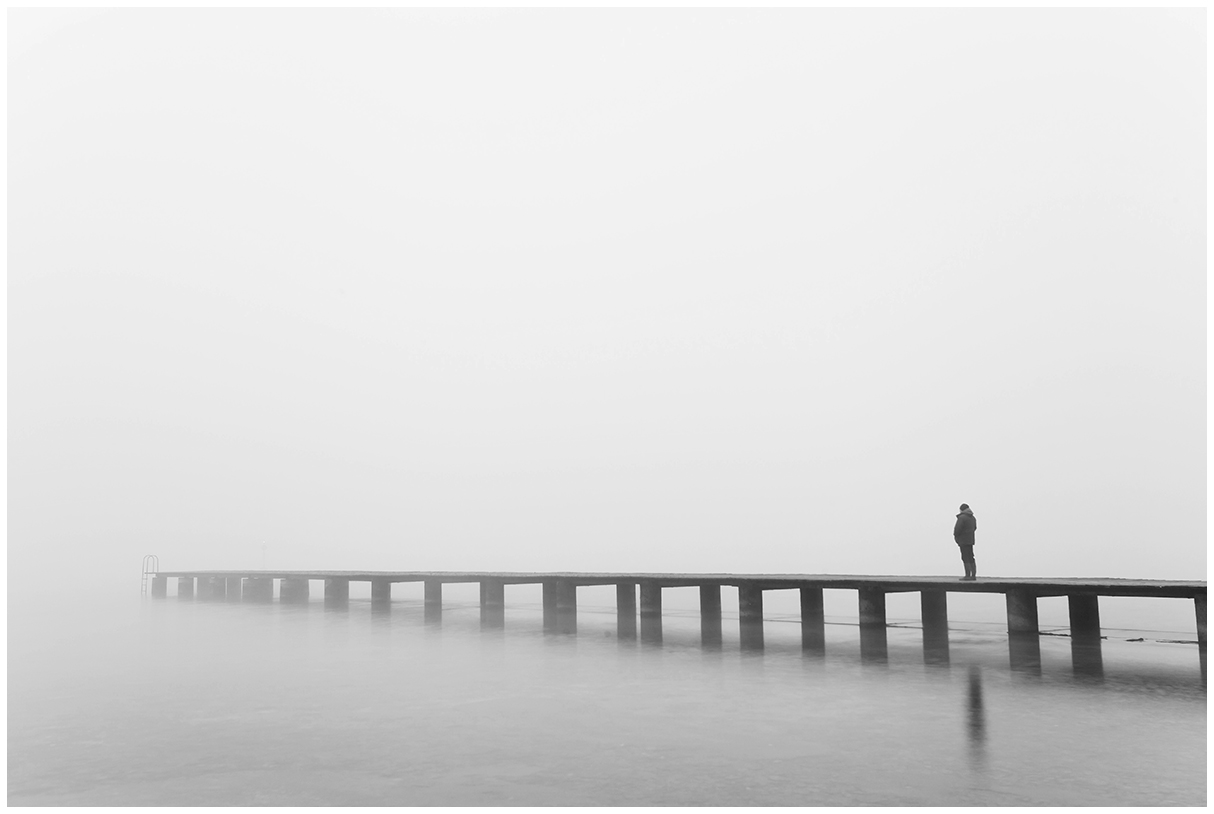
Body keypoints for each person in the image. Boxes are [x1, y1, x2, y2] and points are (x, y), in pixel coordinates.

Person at [954, 503, 977, 580]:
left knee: (965, 557)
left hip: (963, 540)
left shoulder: (962, 518)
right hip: (970, 540)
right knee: (971, 557)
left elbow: (957, 529)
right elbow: (975, 528)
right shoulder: (973, 518)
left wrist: (956, 537)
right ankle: (973, 575)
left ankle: (967, 575)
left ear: (961, 510)